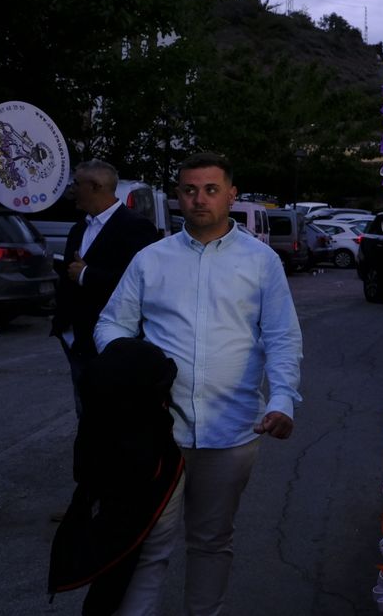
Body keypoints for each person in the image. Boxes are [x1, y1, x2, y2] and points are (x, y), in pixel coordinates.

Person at [95, 151, 302, 615]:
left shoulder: (261, 261)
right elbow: (111, 324)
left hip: (231, 431)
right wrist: (129, 361)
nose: (199, 199)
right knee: (149, 542)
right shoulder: (151, 260)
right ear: (177, 196)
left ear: (231, 194)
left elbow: (282, 336)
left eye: (211, 190)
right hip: (158, 431)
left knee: (211, 541)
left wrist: (283, 399)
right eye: (189, 190)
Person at [49, 337, 185, 615]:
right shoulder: (154, 449)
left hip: (108, 507)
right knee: (143, 570)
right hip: (136, 501)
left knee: (113, 578)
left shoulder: (94, 432)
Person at [51, 160, 158, 415]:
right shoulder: (79, 228)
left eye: (77, 183)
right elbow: (71, 273)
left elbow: (141, 283)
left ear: (96, 186)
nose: (72, 190)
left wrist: (87, 274)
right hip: (75, 337)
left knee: (111, 412)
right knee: (85, 409)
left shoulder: (136, 227)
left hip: (109, 339)